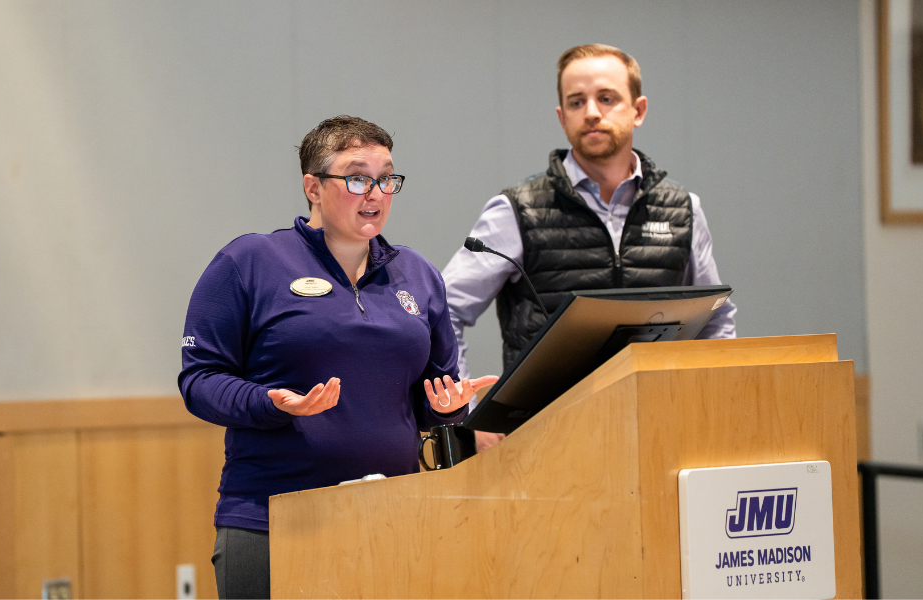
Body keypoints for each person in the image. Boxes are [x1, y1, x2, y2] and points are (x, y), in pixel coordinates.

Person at [179, 115, 497, 599]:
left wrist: (450, 408)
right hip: (273, 520)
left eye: (386, 178)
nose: (376, 193)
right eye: (357, 177)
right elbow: (199, 380)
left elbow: (432, 396)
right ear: (313, 186)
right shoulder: (250, 263)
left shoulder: (418, 275)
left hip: (395, 516)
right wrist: (270, 402)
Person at [442, 44, 737, 452]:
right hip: (546, 442)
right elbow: (443, 310)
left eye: (607, 98)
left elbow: (716, 322)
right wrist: (468, 412)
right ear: (563, 118)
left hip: (659, 434)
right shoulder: (517, 209)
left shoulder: (683, 210)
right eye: (576, 102)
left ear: (639, 109)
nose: (592, 112)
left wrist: (712, 408)